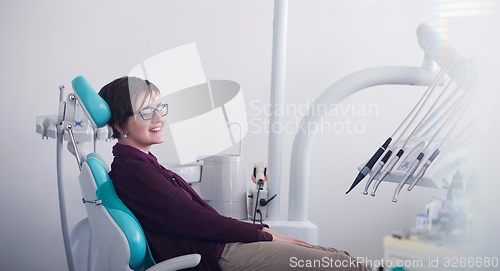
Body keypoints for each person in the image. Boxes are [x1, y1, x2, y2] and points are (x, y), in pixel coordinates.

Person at [98, 76, 371, 271]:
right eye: (146, 112)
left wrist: (262, 231)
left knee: (336, 256)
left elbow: (201, 218)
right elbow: (197, 221)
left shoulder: (144, 165)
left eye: (159, 108)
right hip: (220, 254)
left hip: (223, 246)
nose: (158, 118)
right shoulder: (134, 171)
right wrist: (266, 234)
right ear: (121, 124)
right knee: (344, 265)